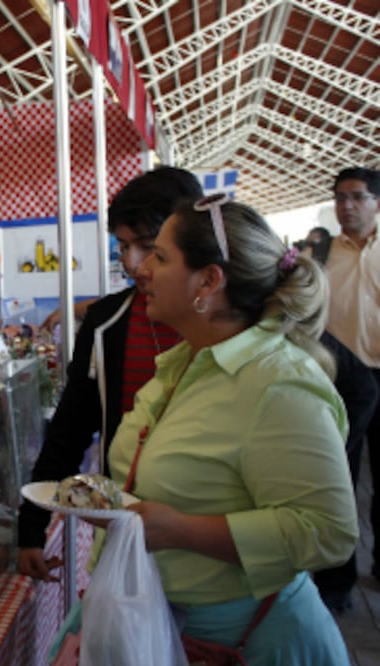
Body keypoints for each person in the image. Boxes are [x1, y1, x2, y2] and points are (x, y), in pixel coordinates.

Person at [103, 194, 357, 662]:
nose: (142, 270)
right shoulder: (187, 361)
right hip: (167, 627)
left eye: (159, 256)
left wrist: (179, 529)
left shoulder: (276, 384)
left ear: (209, 280)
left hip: (251, 642)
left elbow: (329, 531)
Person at [17, 166, 203, 579]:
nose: (135, 265)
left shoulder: (226, 327)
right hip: (127, 540)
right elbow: (70, 428)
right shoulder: (107, 324)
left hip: (207, 547)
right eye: (123, 247)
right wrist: (31, 527)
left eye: (151, 248)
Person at [321, 167, 380, 582]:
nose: (347, 205)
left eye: (357, 197)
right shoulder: (322, 254)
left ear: (377, 202)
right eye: (341, 197)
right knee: (337, 475)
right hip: (338, 380)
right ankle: (336, 581)